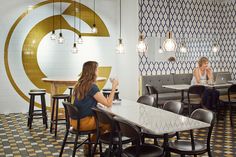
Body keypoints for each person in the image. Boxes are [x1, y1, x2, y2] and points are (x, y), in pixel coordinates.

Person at [71, 61, 119, 155]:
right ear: (92, 72)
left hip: (74, 121)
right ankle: (114, 150)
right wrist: (114, 87)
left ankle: (89, 146)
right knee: (112, 124)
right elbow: (108, 104)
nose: (98, 72)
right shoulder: (92, 87)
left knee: (102, 126)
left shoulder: (79, 85)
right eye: (97, 69)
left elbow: (87, 102)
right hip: (84, 122)